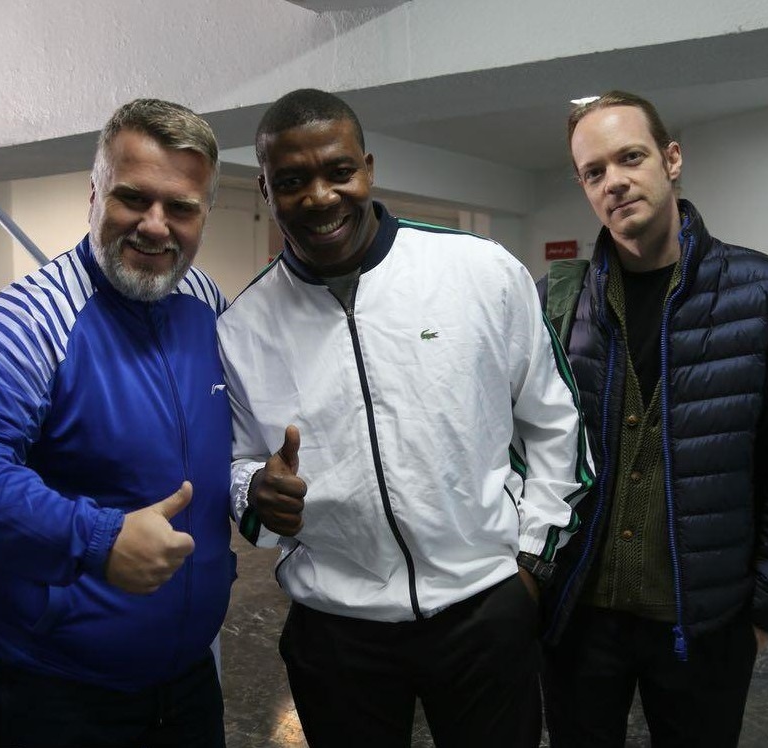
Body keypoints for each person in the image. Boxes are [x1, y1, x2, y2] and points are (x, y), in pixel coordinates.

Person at [216, 88, 594, 748]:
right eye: (292, 181)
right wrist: (254, 490)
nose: (320, 197)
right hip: (336, 628)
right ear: (265, 191)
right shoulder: (243, 327)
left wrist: (532, 563)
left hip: (483, 608)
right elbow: (237, 462)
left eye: (339, 171)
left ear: (368, 168)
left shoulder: (478, 271)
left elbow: (554, 419)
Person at [0, 98, 234, 748]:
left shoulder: (206, 303)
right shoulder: (32, 317)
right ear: (94, 194)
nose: (155, 225)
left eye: (180, 207)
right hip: (53, 684)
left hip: (185, 672)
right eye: (133, 198)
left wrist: (258, 486)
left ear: (205, 213)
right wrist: (98, 540)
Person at [537, 90, 768, 746]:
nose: (614, 181)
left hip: (704, 619)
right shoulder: (558, 302)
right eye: (593, 171)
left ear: (671, 159)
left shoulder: (766, 293)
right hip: (579, 615)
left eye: (630, 157)